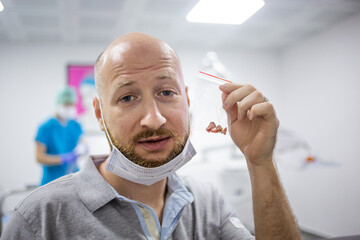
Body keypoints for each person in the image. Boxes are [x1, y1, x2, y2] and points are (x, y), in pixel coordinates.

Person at [1, 33, 301, 239]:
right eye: (128, 97)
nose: (154, 118)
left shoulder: (207, 204)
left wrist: (260, 163)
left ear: (186, 100)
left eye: (166, 92)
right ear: (99, 114)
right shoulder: (40, 218)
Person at [34, 86, 84, 186]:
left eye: (71, 105)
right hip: (52, 181)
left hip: (74, 178)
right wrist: (63, 158)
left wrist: (83, 148)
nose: (69, 108)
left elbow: (83, 142)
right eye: (66, 105)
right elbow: (39, 157)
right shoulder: (46, 127)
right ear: (59, 104)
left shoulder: (75, 125)